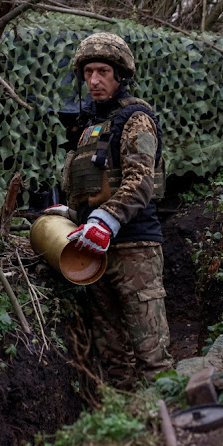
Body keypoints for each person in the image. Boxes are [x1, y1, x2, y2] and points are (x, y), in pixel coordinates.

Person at [45, 32, 173, 388]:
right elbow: (88, 185)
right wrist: (72, 214)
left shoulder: (136, 119)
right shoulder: (88, 127)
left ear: (120, 75)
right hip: (93, 252)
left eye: (102, 71)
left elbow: (141, 181)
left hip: (135, 250)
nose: (94, 80)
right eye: (88, 73)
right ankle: (124, 428)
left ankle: (170, 423)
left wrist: (107, 219)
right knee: (113, 354)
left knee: (152, 352)